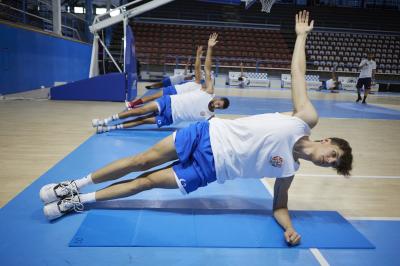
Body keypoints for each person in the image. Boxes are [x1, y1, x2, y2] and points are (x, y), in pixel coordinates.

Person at [40, 12, 353, 247]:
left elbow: (280, 205)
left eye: (333, 164)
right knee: (140, 161)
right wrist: (301, 37)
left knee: (146, 183)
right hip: (205, 135)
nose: (329, 160)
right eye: (334, 154)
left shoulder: (289, 171)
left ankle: (81, 200)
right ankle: (73, 184)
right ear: (327, 141)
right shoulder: (304, 118)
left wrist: (287, 227)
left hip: (209, 169)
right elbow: (298, 74)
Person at [91, 33, 230, 133]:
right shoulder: (207, 91)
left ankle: (110, 128)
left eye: (219, 106)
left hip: (171, 118)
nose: (217, 104)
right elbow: (206, 68)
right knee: (141, 110)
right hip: (169, 101)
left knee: (143, 120)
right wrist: (209, 49)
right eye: (219, 102)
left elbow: (218, 129)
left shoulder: (210, 116)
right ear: (217, 99)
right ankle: (106, 120)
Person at [126, 46, 205, 109]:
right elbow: (196, 69)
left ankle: (133, 105)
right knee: (154, 99)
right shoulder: (198, 86)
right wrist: (197, 58)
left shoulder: (197, 85)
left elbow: (197, 68)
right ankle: (134, 104)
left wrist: (198, 56)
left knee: (154, 99)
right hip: (175, 91)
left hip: (175, 92)